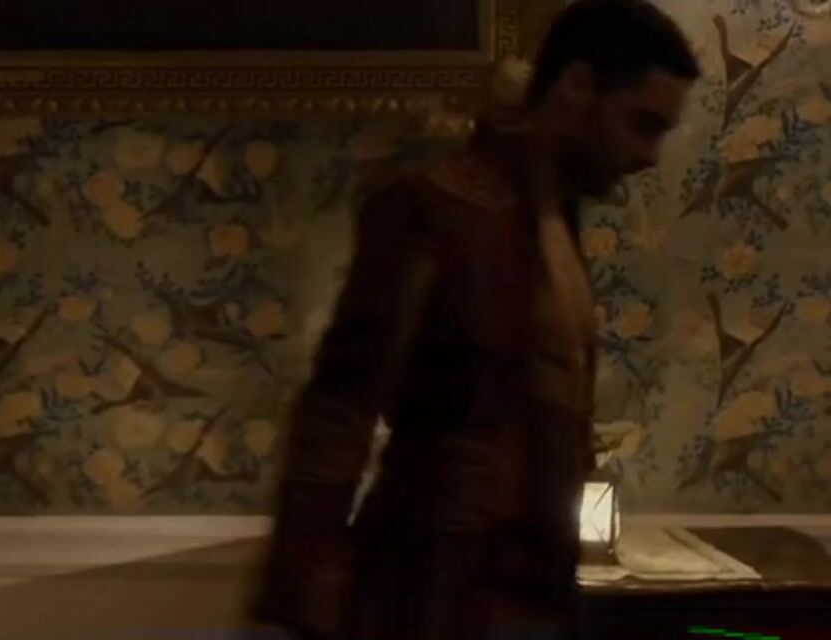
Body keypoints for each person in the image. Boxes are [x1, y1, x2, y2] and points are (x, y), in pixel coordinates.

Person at [253, 1, 700, 639]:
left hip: (527, 595)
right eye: (642, 124)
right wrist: (301, 594)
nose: (649, 155)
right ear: (577, 85)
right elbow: (339, 410)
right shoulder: (434, 207)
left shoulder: (550, 219)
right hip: (430, 595)